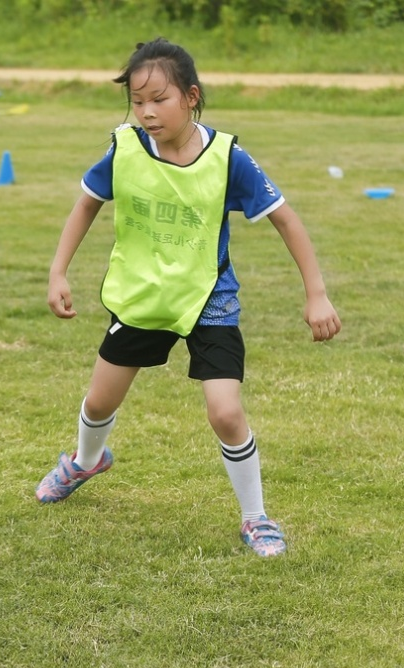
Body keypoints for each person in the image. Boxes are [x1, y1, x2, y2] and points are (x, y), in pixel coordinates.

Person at [34, 38, 341, 558]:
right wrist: (57, 271)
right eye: (137, 100)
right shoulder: (125, 148)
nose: (148, 111)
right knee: (99, 401)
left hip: (208, 298)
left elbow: (286, 219)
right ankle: (86, 460)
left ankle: (256, 518)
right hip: (143, 294)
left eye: (160, 98)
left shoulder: (228, 158)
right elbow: (86, 204)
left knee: (225, 412)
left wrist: (317, 294)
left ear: (191, 97)